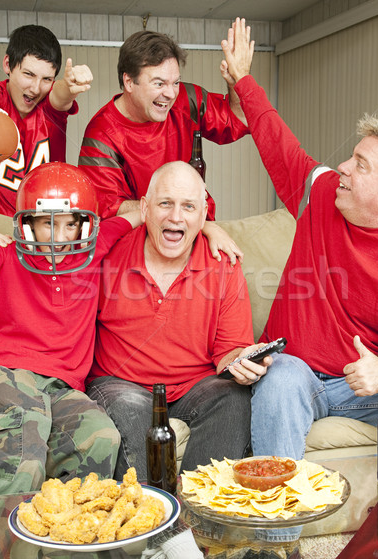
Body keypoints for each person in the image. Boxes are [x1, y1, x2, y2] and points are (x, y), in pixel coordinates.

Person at [221, 19, 378, 468]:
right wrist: (244, 79)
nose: (343, 165)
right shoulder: (320, 193)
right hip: (295, 373)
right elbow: (276, 140)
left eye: (360, 164)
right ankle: (276, 534)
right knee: (280, 378)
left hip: (364, 385)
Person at [0, 162, 141, 497]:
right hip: (13, 373)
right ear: (26, 224)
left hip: (64, 387)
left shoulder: (94, 249)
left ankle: (65, 543)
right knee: (23, 454)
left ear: (85, 225)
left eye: (71, 224)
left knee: (101, 438)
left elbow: (143, 213)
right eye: (47, 224)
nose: (61, 235)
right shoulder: (5, 256)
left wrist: (211, 228)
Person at [86, 161, 271, 479]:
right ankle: (154, 518)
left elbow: (227, 352)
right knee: (131, 407)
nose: (175, 217)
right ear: (145, 209)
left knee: (233, 397)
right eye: (165, 204)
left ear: (203, 216)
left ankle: (197, 517)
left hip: (193, 385)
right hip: (121, 383)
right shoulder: (109, 253)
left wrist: (241, 362)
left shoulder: (223, 264)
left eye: (188, 207)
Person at [77, 29, 249, 263]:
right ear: (129, 81)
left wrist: (238, 81)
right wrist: (194, 220)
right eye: (159, 83)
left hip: (192, 232)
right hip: (138, 246)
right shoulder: (101, 135)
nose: (170, 93)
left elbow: (238, 120)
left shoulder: (187, 98)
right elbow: (111, 210)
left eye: (175, 82)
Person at [0, 25, 93, 216]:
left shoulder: (50, 106)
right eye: (28, 74)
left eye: (47, 79)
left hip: (44, 228)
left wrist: (69, 86)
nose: (35, 88)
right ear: (7, 64)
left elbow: (61, 95)